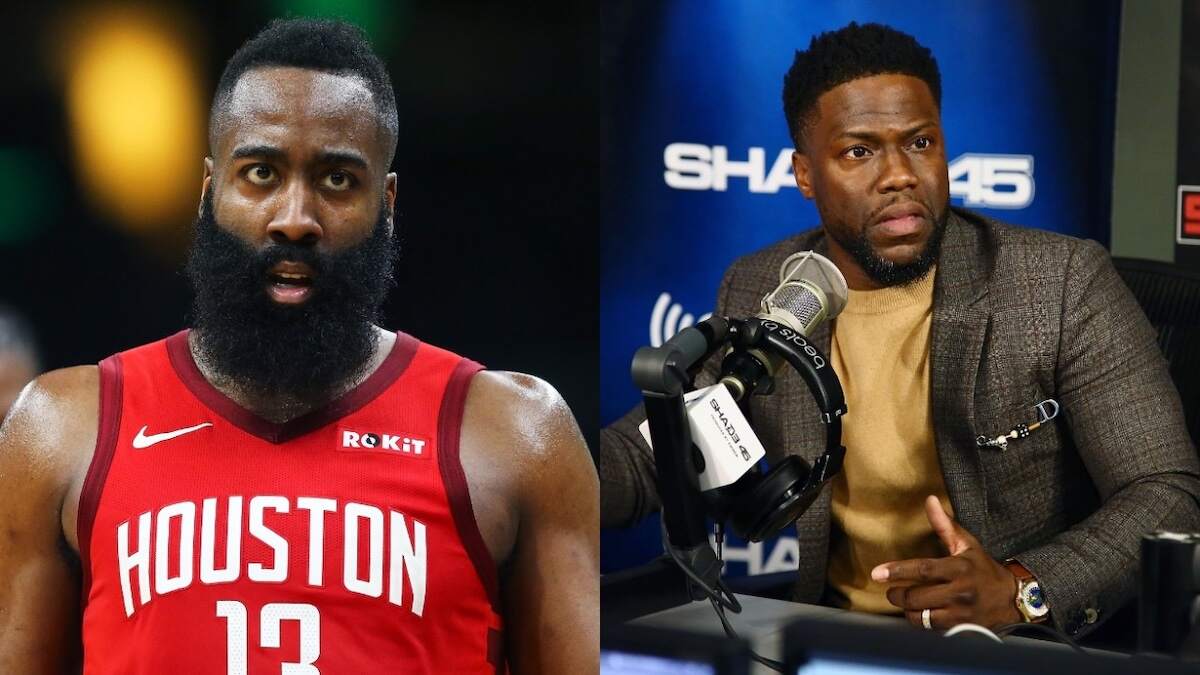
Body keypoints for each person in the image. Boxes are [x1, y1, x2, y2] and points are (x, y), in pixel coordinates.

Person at [0, 19, 598, 674]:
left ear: (387, 203)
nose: (294, 217)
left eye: (337, 180)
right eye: (260, 172)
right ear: (210, 192)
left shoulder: (515, 435)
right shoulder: (62, 429)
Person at [600, 22, 1200, 640]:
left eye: (919, 142)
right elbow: (655, 452)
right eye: (859, 151)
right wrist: (538, 463)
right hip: (835, 636)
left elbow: (1166, 492)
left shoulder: (1058, 282)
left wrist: (1023, 587)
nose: (899, 175)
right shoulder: (763, 287)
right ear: (805, 175)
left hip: (1009, 646)